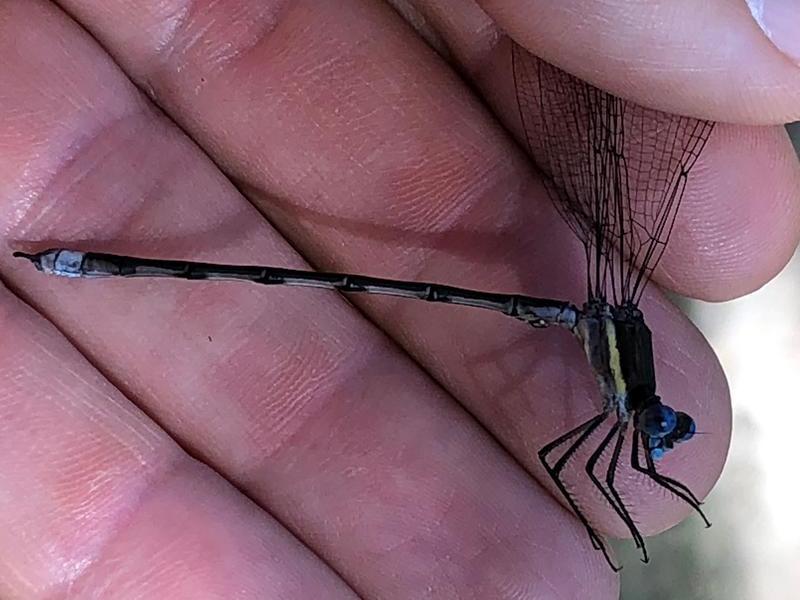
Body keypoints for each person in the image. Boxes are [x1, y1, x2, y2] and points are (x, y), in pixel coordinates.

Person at [1, 1, 798, 598]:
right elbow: (567, 461)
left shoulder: (625, 383)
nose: (658, 432)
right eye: (663, 426)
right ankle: (81, 260)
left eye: (660, 431)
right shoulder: (623, 397)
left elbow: (578, 460)